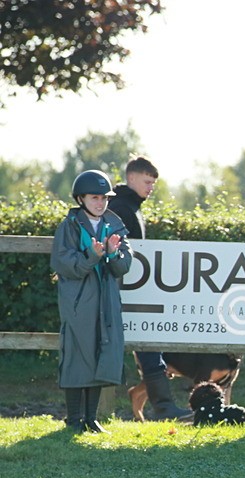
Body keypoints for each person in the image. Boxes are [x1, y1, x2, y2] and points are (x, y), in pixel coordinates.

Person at [108, 155, 192, 421]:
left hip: (132, 288)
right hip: (124, 289)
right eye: (147, 181)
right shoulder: (121, 207)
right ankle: (164, 407)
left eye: (153, 183)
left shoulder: (131, 206)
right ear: (131, 177)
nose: (151, 188)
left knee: (149, 344)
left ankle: (164, 406)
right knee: (148, 345)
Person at [50, 170, 132, 434]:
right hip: (77, 302)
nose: (100, 203)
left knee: (101, 355)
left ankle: (91, 418)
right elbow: (63, 264)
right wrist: (91, 255)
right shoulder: (69, 226)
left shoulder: (115, 225)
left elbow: (123, 266)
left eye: (104, 198)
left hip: (106, 302)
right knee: (76, 356)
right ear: (81, 198)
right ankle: (74, 419)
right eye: (94, 197)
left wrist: (111, 253)